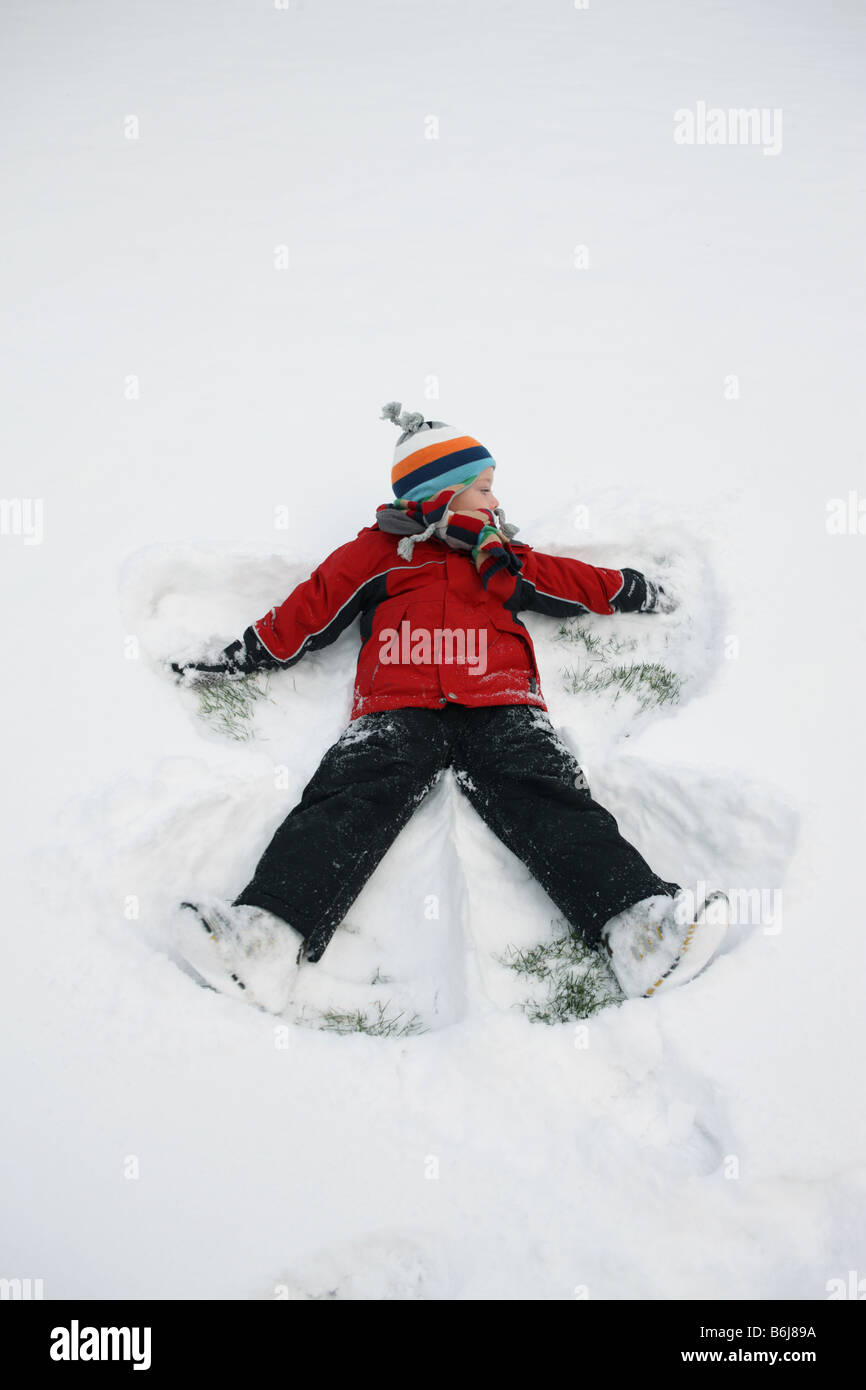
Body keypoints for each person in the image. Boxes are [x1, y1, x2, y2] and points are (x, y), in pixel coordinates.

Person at [171, 402, 728, 1013]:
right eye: (483, 488)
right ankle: (265, 940)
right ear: (440, 495)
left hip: (502, 703)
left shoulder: (500, 557)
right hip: (396, 709)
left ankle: (640, 929)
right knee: (346, 800)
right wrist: (236, 656)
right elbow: (310, 610)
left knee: (552, 799)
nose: (494, 501)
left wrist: (633, 588)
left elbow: (568, 581)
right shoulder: (376, 553)